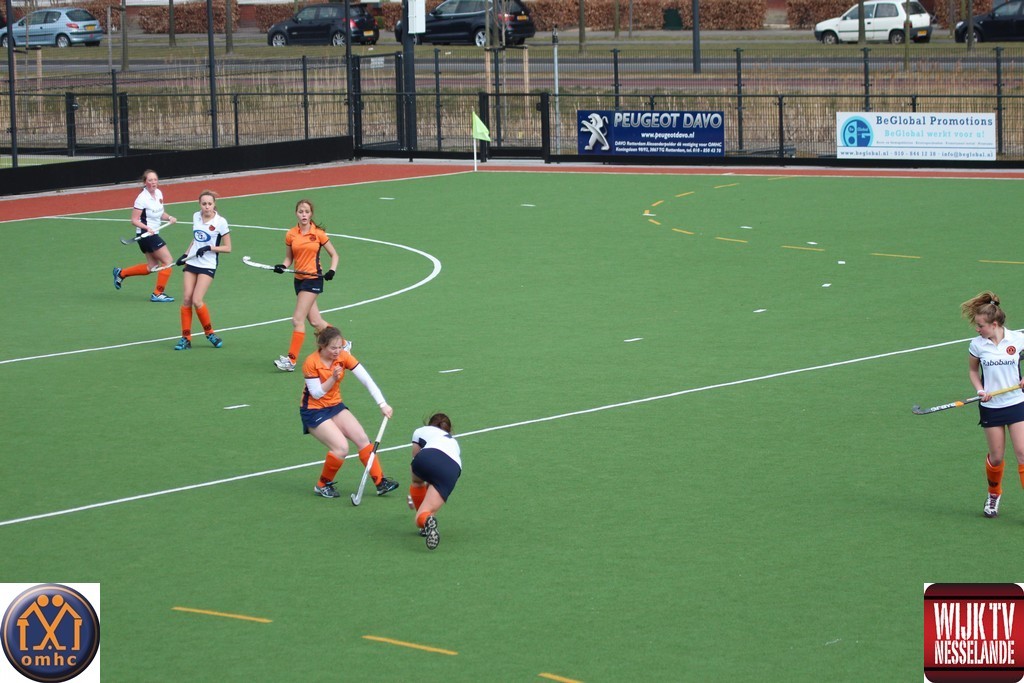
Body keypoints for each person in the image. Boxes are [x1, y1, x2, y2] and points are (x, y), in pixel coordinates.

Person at [301, 325, 399, 499]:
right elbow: (316, 393)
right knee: (341, 448)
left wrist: (382, 404)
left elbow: (366, 379)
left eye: (340, 347)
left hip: (335, 406)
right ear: (322, 346)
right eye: (333, 348)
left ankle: (380, 482)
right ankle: (322, 485)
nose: (337, 351)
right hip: (314, 410)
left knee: (362, 439)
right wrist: (333, 378)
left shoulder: (343, 356)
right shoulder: (311, 362)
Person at [961, 291, 1024, 519]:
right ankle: (993, 494)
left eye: (981, 325)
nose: (978, 329)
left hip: (1017, 402)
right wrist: (980, 390)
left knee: (1023, 454)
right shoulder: (977, 345)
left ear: (994, 324)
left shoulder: (1018, 339)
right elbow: (973, 371)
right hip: (992, 406)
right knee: (996, 457)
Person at [273, 199, 340, 372]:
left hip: (313, 279)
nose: (304, 215)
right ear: (296, 213)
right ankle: (343, 344)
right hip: (299, 280)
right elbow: (289, 258)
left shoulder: (318, 234)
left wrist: (332, 270)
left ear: (311, 214)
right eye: (301, 211)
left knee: (297, 320)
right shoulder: (291, 234)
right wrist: (282, 266)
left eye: (307, 212)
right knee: (316, 321)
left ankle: (291, 360)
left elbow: (334, 255)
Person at [172, 190, 231, 350]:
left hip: (208, 264)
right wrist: (185, 255)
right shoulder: (195, 216)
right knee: (186, 299)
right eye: (204, 204)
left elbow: (228, 248)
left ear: (214, 204)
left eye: (209, 204)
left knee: (197, 300)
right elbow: (196, 238)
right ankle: (185, 338)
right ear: (200, 204)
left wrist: (209, 248)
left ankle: (210, 333)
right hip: (192, 261)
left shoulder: (220, 222)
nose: (207, 207)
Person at [113, 169, 178, 302]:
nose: (153, 182)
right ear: (145, 182)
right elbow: (134, 220)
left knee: (152, 266)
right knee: (167, 261)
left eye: (155, 180)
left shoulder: (159, 193)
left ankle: (121, 273)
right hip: (146, 235)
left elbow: (160, 213)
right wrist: (147, 228)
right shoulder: (141, 198)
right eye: (150, 180)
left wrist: (169, 217)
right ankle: (158, 293)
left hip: (153, 233)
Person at [408, 413, 462, 550]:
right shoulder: (454, 442)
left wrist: (413, 492)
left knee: (417, 481)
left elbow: (415, 457)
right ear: (449, 429)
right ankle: (427, 518)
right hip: (452, 469)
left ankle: (425, 522)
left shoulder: (420, 431)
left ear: (430, 423)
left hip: (426, 457)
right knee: (427, 510)